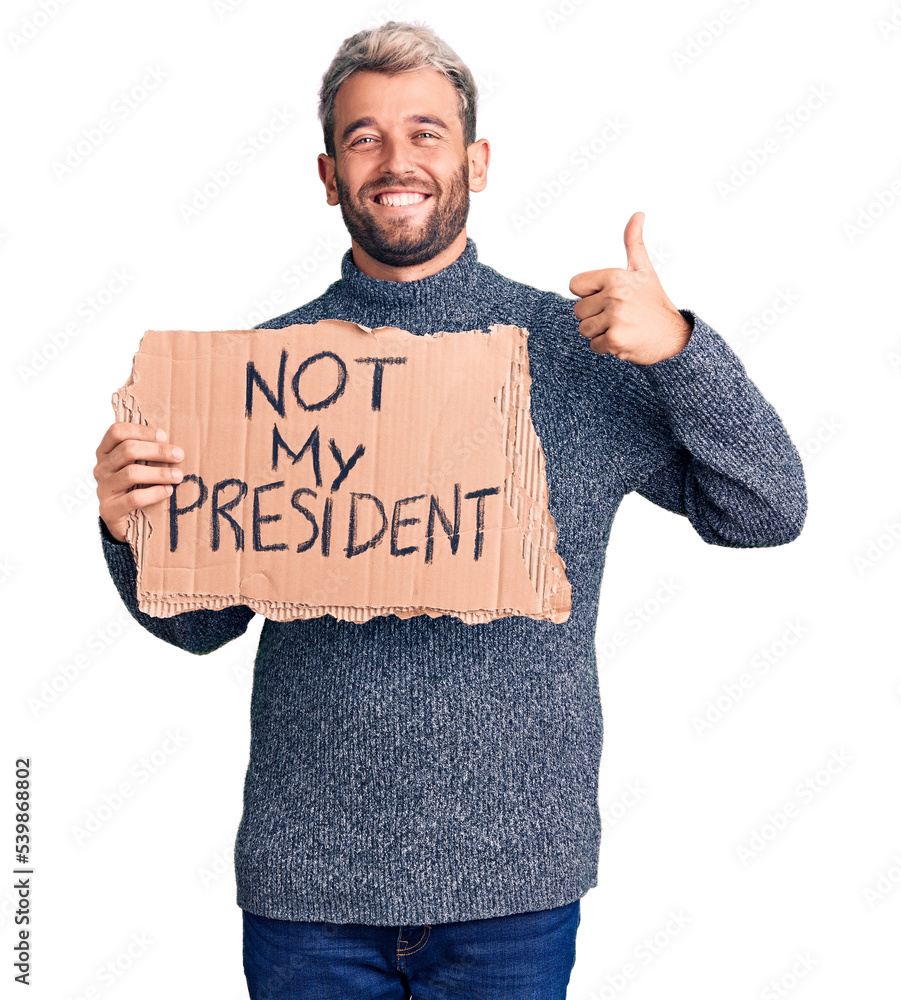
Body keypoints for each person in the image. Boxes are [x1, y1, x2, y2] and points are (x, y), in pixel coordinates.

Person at [93, 20, 807, 1000]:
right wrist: (130, 527)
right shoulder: (255, 376)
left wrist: (683, 348)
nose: (397, 162)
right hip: (309, 898)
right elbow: (201, 626)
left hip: (514, 892)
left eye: (425, 133)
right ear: (327, 172)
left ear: (475, 159)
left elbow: (764, 508)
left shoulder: (581, 349)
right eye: (364, 137)